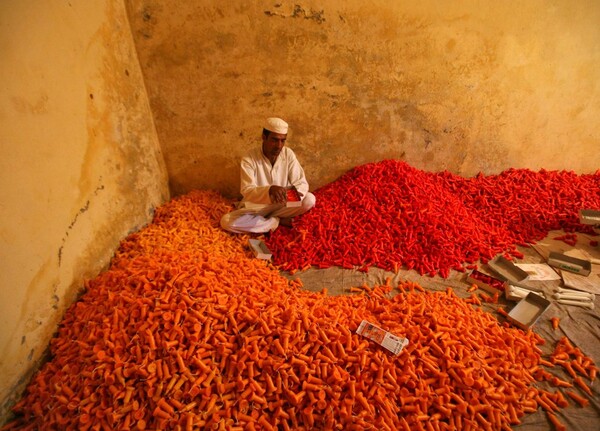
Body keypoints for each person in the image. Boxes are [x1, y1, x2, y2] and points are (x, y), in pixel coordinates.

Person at [220, 117, 316, 233]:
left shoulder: (288, 154)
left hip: (281, 203)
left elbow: (301, 182)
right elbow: (247, 190)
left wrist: (288, 195)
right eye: (274, 140)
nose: (279, 146)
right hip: (256, 206)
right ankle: (276, 221)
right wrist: (269, 190)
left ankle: (265, 222)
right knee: (226, 222)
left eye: (282, 140)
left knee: (309, 199)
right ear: (264, 137)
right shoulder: (249, 159)